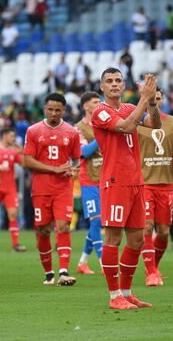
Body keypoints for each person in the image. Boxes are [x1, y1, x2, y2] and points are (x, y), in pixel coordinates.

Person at [91, 68, 161, 309]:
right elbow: (126, 127)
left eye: (118, 80)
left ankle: (127, 293)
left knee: (137, 240)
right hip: (115, 181)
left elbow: (155, 125)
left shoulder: (131, 107)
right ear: (102, 87)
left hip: (136, 181)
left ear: (123, 85)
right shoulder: (100, 111)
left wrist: (151, 102)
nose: (114, 84)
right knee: (113, 237)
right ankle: (114, 297)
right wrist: (144, 98)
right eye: (109, 81)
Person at [24, 93, 80, 286]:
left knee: (63, 226)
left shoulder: (72, 132)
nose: (54, 113)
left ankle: (64, 271)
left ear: (63, 111)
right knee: (42, 230)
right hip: (40, 187)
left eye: (58, 110)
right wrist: (54, 169)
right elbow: (27, 160)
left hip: (63, 188)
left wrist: (74, 170)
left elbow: (77, 158)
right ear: (44, 109)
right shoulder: (33, 131)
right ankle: (49, 273)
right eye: (50, 109)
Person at [138, 87, 173, 286]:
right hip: (145, 183)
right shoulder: (137, 122)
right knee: (147, 226)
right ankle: (150, 273)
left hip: (166, 184)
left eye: (158, 98)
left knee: (164, 231)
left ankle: (154, 267)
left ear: (162, 99)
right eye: (151, 98)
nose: (155, 102)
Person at [74, 91, 103, 275]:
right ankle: (103, 262)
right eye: (95, 101)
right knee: (96, 221)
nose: (99, 103)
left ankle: (82, 262)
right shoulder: (78, 128)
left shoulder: (103, 123)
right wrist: (102, 137)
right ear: (86, 106)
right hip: (89, 180)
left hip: (105, 178)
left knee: (98, 223)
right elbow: (83, 152)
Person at [0, 127, 26, 252]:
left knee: (13, 214)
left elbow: (24, 164)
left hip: (10, 188)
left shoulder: (13, 151)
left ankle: (15, 244)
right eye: (12, 136)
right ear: (4, 136)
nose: (14, 138)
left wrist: (22, 153)